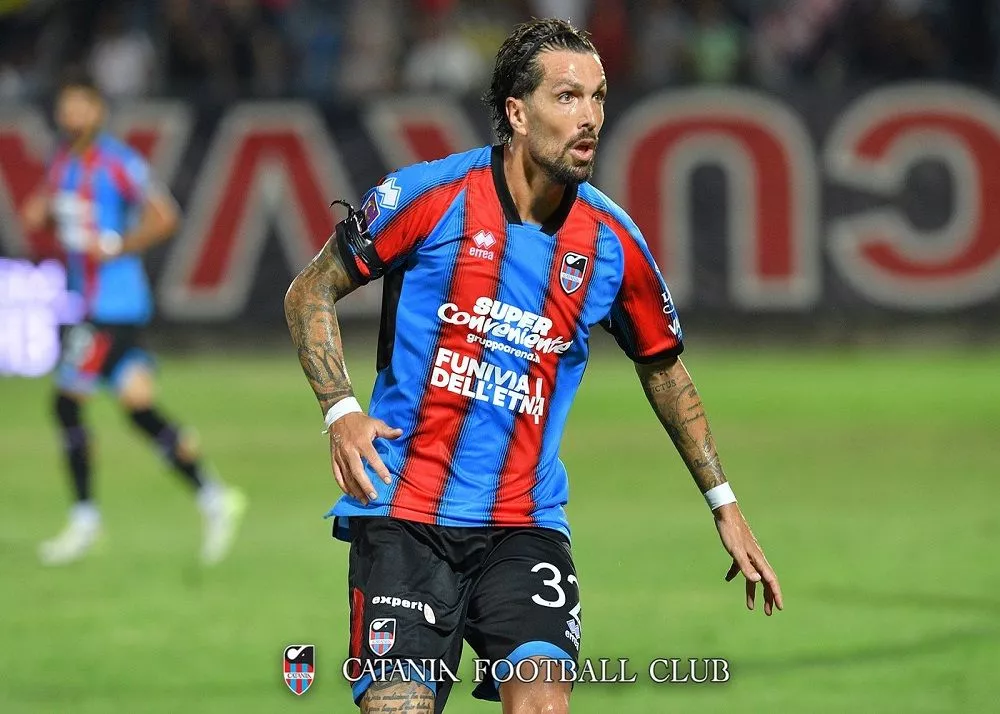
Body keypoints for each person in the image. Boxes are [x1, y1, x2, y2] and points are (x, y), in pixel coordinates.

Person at [284, 17, 783, 714]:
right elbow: (311, 289)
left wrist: (723, 504)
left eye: (600, 97)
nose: (591, 118)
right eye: (568, 97)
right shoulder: (428, 198)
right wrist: (340, 411)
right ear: (517, 113)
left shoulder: (612, 242)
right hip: (403, 515)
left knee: (543, 704)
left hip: (524, 523)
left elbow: (664, 368)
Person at [20, 72, 246, 567]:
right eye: (65, 107)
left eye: (80, 106)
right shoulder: (63, 162)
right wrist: (41, 212)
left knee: (65, 401)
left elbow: (166, 215)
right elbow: (37, 213)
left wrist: (119, 245)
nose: (70, 116)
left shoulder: (117, 162)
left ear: (98, 111)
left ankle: (85, 519)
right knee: (139, 405)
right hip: (92, 304)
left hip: (113, 308)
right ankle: (214, 496)